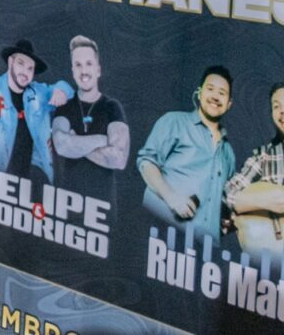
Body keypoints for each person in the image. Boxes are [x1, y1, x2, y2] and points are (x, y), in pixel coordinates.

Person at [137, 65, 236, 243]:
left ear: (229, 104)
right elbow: (146, 163)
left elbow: (225, 204)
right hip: (161, 237)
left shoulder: (228, 153)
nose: (215, 96)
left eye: (222, 93)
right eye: (210, 89)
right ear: (199, 93)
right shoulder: (174, 122)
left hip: (203, 255)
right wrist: (171, 197)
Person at [0, 38, 72, 186]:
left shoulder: (39, 94)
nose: (25, 72)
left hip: (34, 182)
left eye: (30, 68)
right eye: (21, 64)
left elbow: (65, 88)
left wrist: (61, 91)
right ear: (10, 62)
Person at [51, 35, 129, 207]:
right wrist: (101, 141)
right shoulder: (65, 107)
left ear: (98, 69)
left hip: (103, 208)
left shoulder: (112, 107)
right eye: (78, 65)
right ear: (72, 70)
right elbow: (61, 145)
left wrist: (75, 141)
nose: (83, 71)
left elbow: (119, 158)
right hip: (66, 205)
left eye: (89, 64)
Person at [225, 82, 284, 257]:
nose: (282, 111)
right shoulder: (264, 156)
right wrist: (269, 200)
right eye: (276, 106)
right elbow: (227, 195)